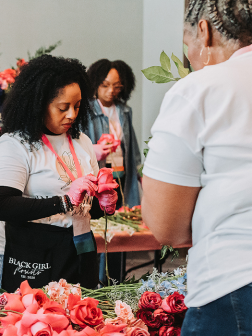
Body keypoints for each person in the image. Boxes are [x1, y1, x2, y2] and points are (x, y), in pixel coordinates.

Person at [142, 0, 252, 333]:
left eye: (186, 42)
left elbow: (168, 227)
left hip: (236, 280)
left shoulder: (202, 89)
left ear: (203, 32)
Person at [0, 55, 116, 292]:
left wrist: (104, 201)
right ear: (38, 104)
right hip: (27, 249)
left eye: (77, 106)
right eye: (62, 107)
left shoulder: (81, 141)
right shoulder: (15, 143)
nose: (72, 115)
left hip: (78, 247)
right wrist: (65, 202)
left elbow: (89, 207)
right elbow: (1, 205)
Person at [83, 59, 140, 208]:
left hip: (122, 176)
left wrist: (141, 174)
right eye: (105, 85)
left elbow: (132, 148)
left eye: (117, 86)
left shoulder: (125, 111)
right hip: (99, 180)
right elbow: (76, 146)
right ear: (95, 84)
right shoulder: (86, 111)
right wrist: (93, 150)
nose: (111, 91)